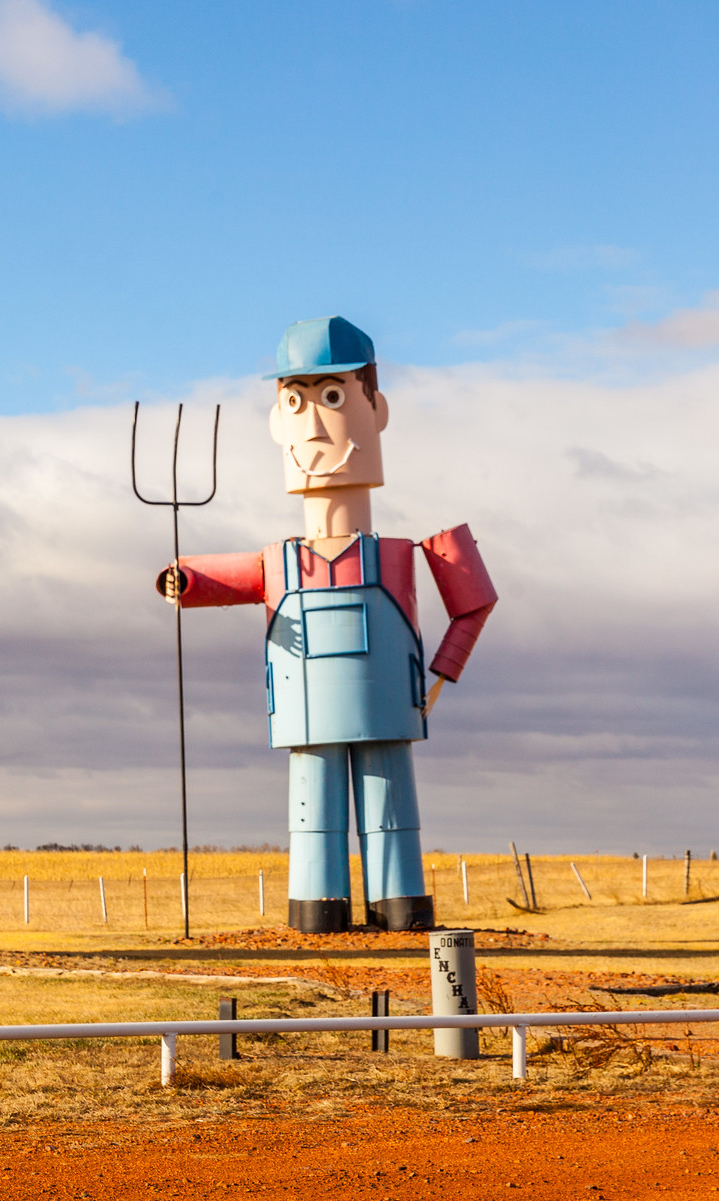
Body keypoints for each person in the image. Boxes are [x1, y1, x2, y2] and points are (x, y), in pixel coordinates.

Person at [162, 317, 497, 932]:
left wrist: (442, 673)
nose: (313, 425)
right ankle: (320, 906)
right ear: (275, 422)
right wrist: (182, 579)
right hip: (307, 704)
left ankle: (400, 903)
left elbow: (474, 600)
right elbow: (219, 579)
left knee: (387, 798)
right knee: (313, 804)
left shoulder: (400, 554)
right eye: (296, 400)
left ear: (378, 410)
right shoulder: (281, 559)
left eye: (334, 397)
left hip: (386, 702)